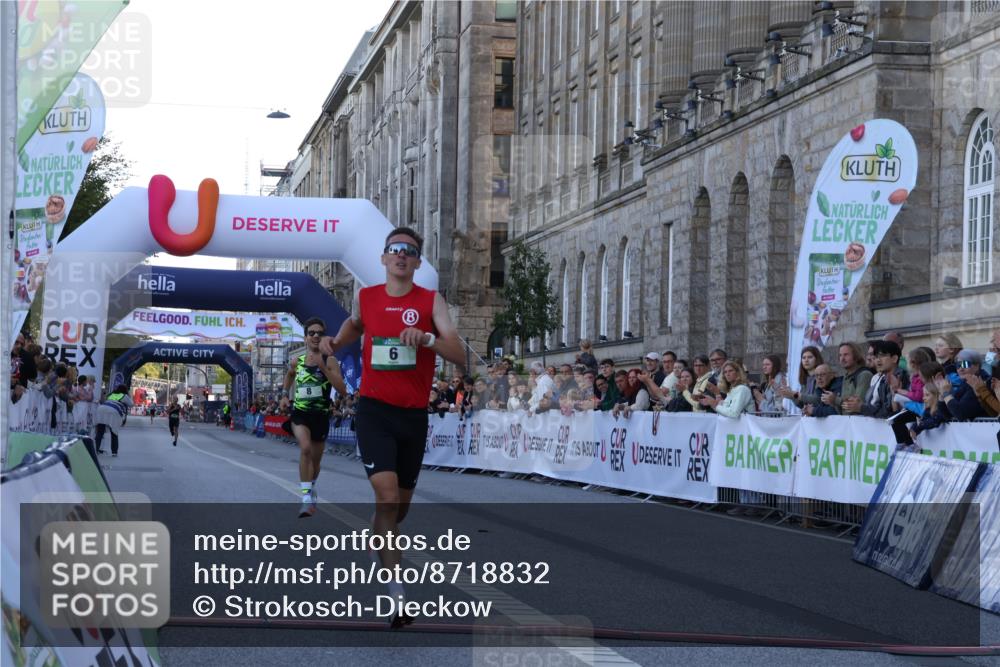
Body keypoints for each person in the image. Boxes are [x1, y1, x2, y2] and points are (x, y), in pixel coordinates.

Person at [320, 226, 465, 629]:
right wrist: (336, 341)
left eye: (410, 251)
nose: (401, 255)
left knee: (398, 511)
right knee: (385, 499)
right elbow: (354, 324)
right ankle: (397, 597)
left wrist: (429, 340)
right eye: (395, 249)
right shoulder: (367, 297)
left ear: (418, 262)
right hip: (374, 412)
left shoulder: (430, 301)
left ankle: (377, 540)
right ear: (384, 258)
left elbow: (459, 354)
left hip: (412, 416)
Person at [281, 316, 348, 518]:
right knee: (305, 448)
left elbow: (342, 390)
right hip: (300, 414)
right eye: (312, 333)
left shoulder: (331, 361)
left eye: (320, 333)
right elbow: (290, 375)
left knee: (316, 462)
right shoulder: (297, 361)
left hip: (320, 415)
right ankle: (306, 498)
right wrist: (284, 395)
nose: (316, 336)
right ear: (305, 338)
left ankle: (310, 487)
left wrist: (323, 367)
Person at [935, 349, 990, 421]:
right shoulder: (965, 383)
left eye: (965, 364)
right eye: (958, 365)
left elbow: (960, 414)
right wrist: (942, 393)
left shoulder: (982, 382)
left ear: (977, 366)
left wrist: (946, 394)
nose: (960, 369)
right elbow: (946, 414)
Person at [833, 342, 873, 415]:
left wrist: (835, 399)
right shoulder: (846, 376)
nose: (842, 358)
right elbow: (843, 409)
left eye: (846, 355)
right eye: (840, 355)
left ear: (856, 356)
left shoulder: (864, 375)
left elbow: (856, 405)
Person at [94, 384, 133, 457]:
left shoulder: (111, 394)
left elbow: (105, 400)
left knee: (100, 431)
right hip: (114, 411)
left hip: (101, 409)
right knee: (114, 432)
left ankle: (96, 449)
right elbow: (131, 404)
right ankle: (114, 452)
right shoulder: (124, 396)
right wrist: (129, 396)